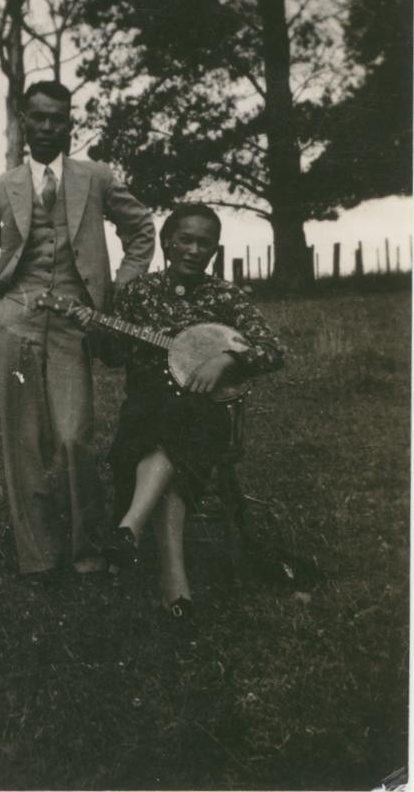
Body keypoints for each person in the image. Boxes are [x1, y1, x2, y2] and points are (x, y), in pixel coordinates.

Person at [0, 81, 155, 577]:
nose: (48, 127)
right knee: (23, 443)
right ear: (23, 122)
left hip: (74, 322)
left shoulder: (96, 177)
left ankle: (86, 552)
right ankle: (38, 558)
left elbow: (142, 229)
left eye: (58, 119)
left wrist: (121, 291)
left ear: (71, 123)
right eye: (39, 118)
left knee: (74, 436)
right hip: (17, 323)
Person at [73, 202, 284, 621]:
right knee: (162, 422)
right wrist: (94, 328)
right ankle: (175, 589)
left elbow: (273, 350)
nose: (193, 249)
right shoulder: (139, 294)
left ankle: (130, 528)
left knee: (177, 422)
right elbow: (115, 356)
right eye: (184, 239)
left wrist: (228, 361)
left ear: (214, 250)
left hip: (204, 415)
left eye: (204, 243)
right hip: (146, 412)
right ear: (167, 241)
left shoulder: (226, 297)